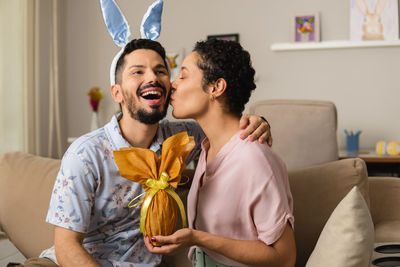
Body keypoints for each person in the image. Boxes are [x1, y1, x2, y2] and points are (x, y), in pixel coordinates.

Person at [14, 39, 271, 267]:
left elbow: (222, 127)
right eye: (138, 71)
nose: (153, 78)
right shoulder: (85, 154)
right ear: (117, 93)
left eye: (161, 71)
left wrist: (258, 120)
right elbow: (67, 246)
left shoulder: (183, 137)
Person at [144, 39, 296, 267]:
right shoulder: (205, 147)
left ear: (216, 87)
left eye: (183, 76)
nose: (173, 84)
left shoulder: (253, 158)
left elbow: (284, 259)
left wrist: (197, 237)